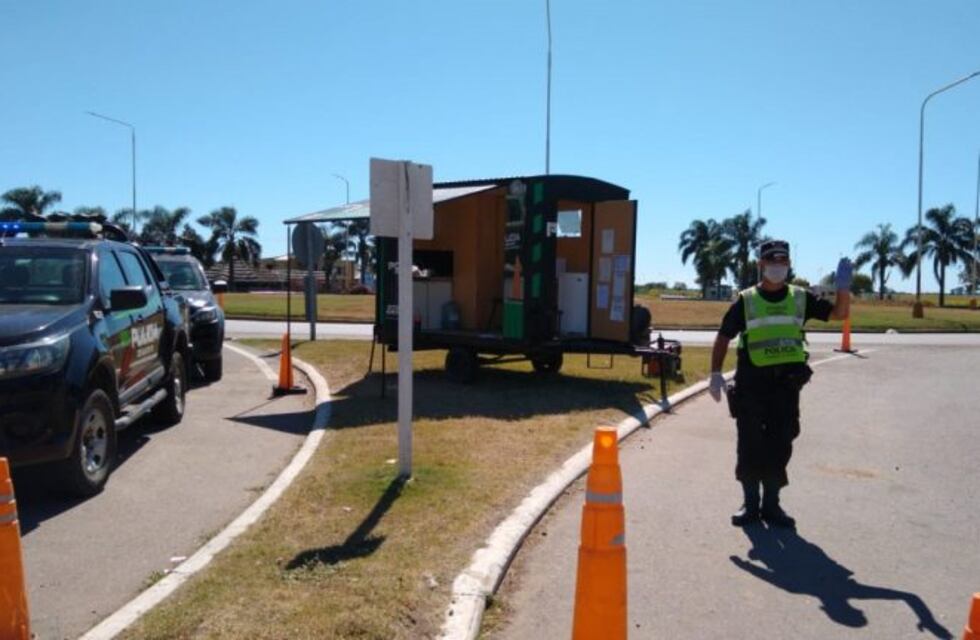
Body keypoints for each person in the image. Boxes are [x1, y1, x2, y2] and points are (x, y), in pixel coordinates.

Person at [708, 240, 852, 528]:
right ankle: (750, 506)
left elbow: (839, 314)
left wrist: (844, 288)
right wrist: (715, 373)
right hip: (751, 384)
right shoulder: (746, 300)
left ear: (788, 265)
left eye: (783, 263)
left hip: (786, 385)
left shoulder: (801, 298)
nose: (778, 267)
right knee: (749, 444)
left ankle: (772, 506)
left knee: (781, 443)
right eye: (772, 262)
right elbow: (724, 335)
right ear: (761, 265)